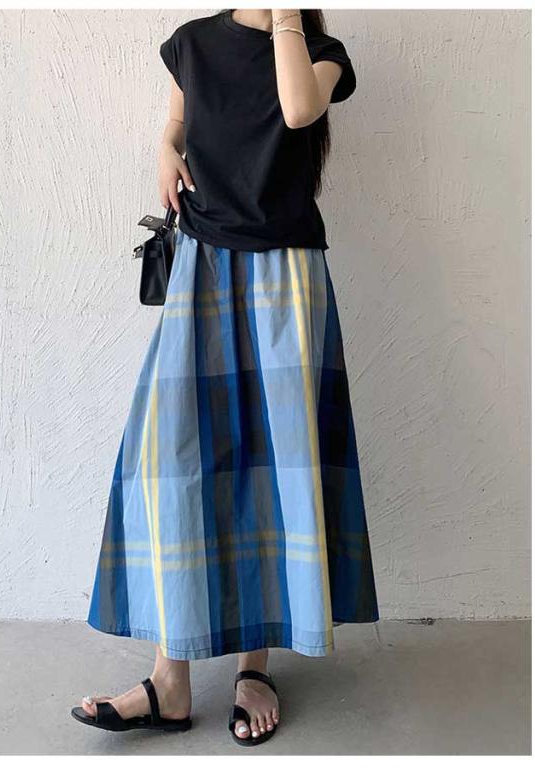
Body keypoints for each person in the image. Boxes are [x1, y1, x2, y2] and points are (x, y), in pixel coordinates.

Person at [71, 8, 379, 748]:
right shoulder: (193, 43)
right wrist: (163, 148)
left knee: (272, 464)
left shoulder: (322, 51)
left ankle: (254, 668)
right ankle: (170, 680)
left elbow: (298, 109)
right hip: (203, 265)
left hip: (285, 276)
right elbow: (177, 123)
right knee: (169, 459)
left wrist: (285, 18)